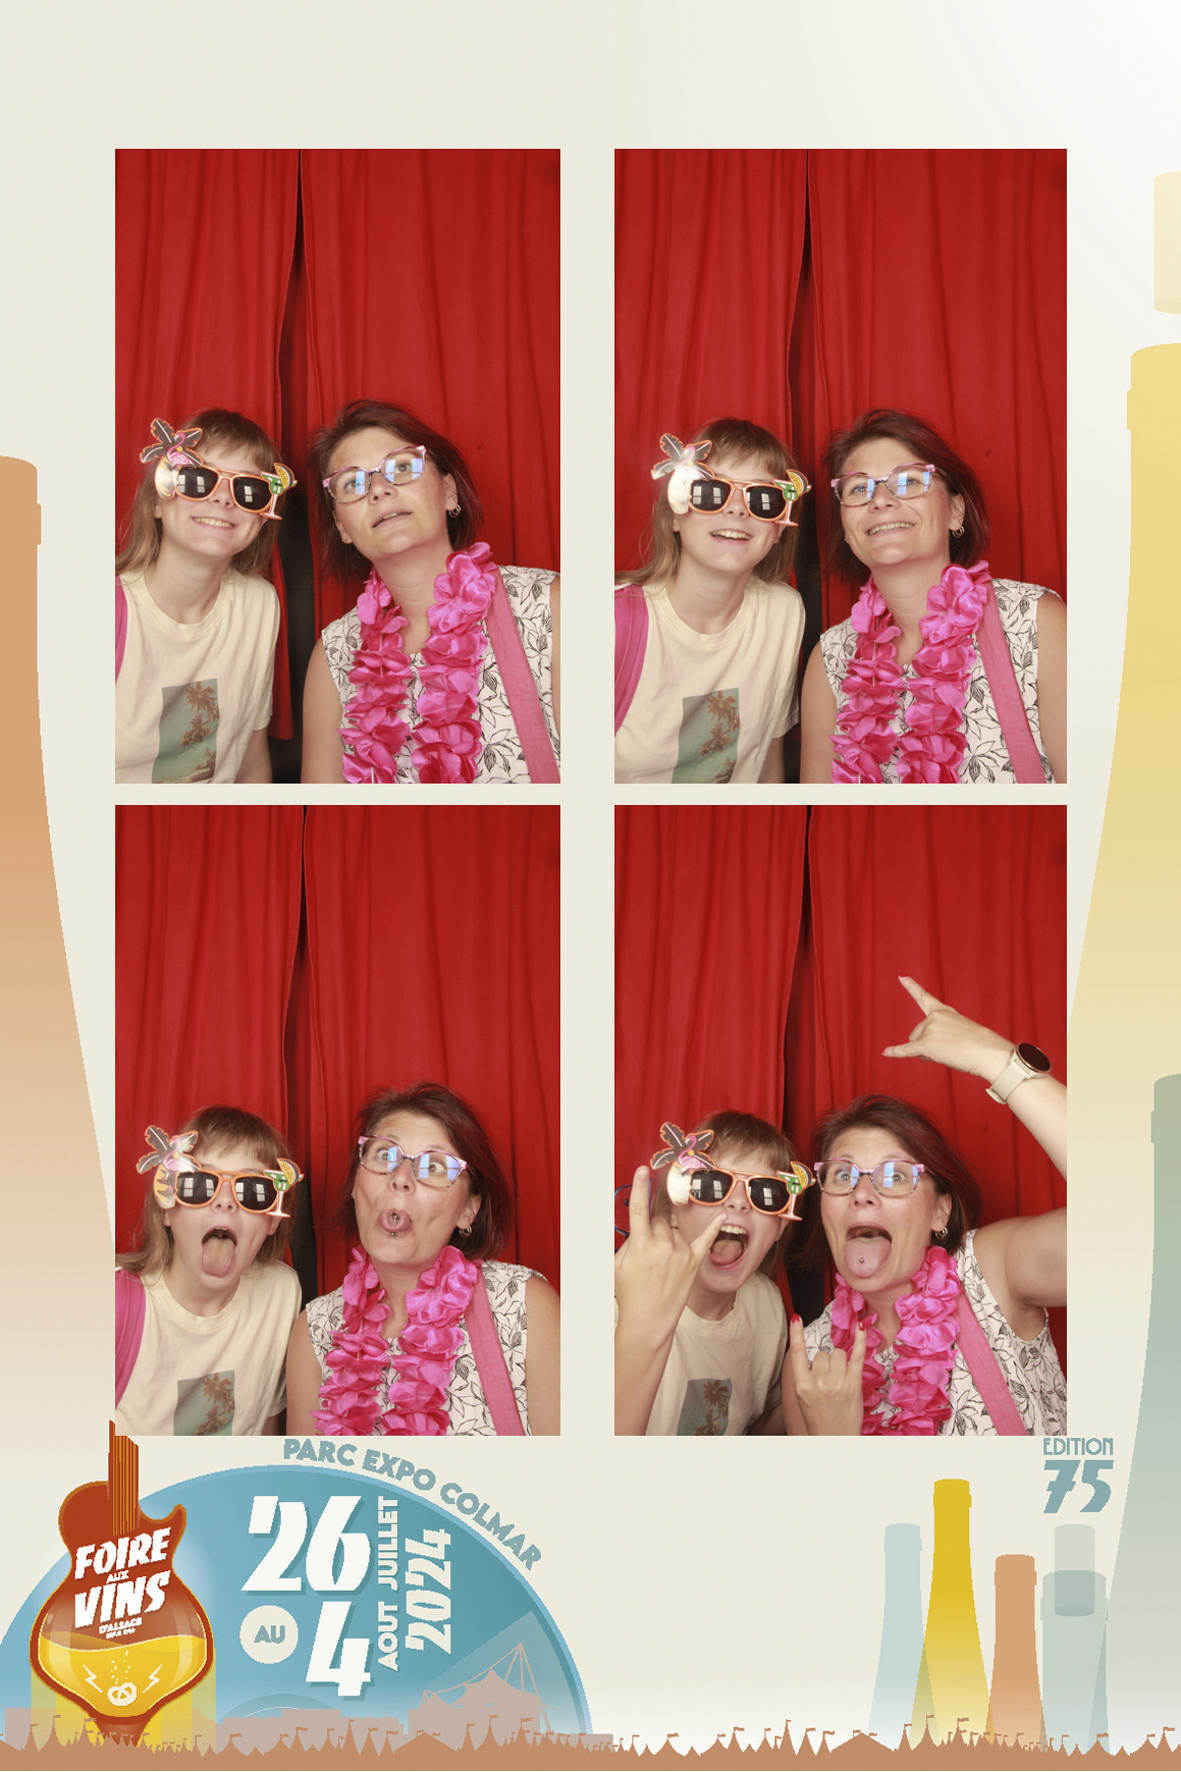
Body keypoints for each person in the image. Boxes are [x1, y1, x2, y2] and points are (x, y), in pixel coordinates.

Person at [785, 976, 1066, 1436]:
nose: (861, 1192)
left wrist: (996, 1060)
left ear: (941, 1211)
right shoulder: (809, 1357)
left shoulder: (991, 1273)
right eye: (842, 1174)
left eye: (895, 1175)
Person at [799, 409, 1066, 784]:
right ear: (845, 528)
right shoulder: (830, 659)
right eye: (858, 488)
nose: (880, 500)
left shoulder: (1035, 623)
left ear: (956, 511)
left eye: (909, 481)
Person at [302, 401, 560, 784]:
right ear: (341, 526)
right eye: (352, 483)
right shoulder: (334, 657)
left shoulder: (548, 606)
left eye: (402, 467)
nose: (378, 490)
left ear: (449, 492)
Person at [286, 1085, 560, 1435]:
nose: (401, 1178)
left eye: (434, 1166)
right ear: (355, 1185)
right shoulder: (314, 1330)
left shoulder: (523, 1305)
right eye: (385, 1154)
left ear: (468, 1209)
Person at [615, 420, 810, 784]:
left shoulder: (783, 612)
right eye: (710, 491)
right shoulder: (610, 621)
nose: (737, 510)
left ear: (778, 528)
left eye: (762, 498)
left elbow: (766, 766)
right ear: (675, 514)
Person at [115, 410, 293, 784]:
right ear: (157, 501)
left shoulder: (259, 605)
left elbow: (250, 762)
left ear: (262, 517)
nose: (223, 499)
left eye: (248, 490)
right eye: (198, 480)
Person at [614, 1111, 811, 1435]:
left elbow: (754, 1427)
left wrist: (804, 1400)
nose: (738, 1204)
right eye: (712, 1185)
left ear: (780, 1227)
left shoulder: (766, 1305)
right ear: (673, 1210)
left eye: (766, 1193)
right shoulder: (616, 1311)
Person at [115, 1107, 303, 1436]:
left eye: (252, 1191)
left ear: (272, 1221)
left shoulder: (281, 1293)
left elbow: (265, 1431)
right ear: (166, 1209)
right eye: (199, 1184)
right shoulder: (112, 1304)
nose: (225, 1202)